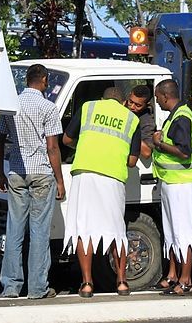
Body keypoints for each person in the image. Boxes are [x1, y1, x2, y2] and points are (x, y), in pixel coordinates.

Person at [0, 64, 66, 299]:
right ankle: (37, 288)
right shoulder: (48, 107)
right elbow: (52, 147)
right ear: (43, 80)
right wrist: (60, 180)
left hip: (16, 172)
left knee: (14, 230)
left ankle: (11, 286)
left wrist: (1, 174)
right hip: (42, 174)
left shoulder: (11, 106)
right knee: (39, 232)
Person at [62, 87, 141, 298]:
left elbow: (67, 140)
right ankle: (122, 282)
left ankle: (87, 283)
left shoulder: (88, 108)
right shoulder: (131, 119)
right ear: (124, 102)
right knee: (116, 230)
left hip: (85, 173)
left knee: (84, 229)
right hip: (113, 177)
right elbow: (132, 161)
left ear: (102, 98)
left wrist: (86, 147)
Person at [151, 79, 192, 296]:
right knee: (173, 233)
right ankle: (173, 275)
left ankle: (186, 280)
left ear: (165, 96)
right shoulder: (176, 116)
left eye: (157, 98)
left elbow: (184, 152)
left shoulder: (182, 117)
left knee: (185, 232)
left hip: (183, 183)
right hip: (172, 181)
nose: (157, 101)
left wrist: (159, 143)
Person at [125, 85, 155, 159]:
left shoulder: (147, 121)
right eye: (130, 102)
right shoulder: (121, 106)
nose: (132, 107)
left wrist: (131, 132)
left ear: (146, 105)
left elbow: (146, 152)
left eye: (138, 105)